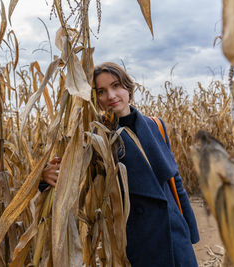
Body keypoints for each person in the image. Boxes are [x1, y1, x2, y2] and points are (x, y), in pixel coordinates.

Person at [41, 62, 199, 266]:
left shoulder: (156, 125)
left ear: (128, 89)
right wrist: (46, 177)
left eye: (116, 86)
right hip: (138, 242)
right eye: (101, 91)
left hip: (175, 234)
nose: (111, 95)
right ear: (95, 99)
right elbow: (70, 175)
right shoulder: (95, 138)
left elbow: (174, 181)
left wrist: (190, 231)